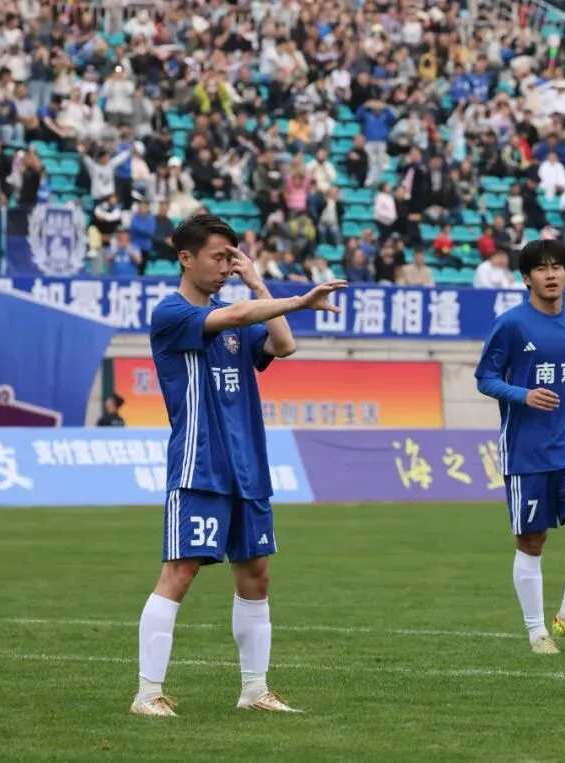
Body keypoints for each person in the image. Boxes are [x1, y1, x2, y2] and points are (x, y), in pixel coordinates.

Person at [132, 214, 347, 717]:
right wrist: (298, 300)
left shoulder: (239, 312)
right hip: (200, 463)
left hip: (247, 465)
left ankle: (254, 690)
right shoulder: (172, 313)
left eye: (232, 257)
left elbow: (284, 345)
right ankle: (147, 693)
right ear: (185, 258)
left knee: (256, 574)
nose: (226, 266)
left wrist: (258, 282)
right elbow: (233, 319)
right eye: (218, 257)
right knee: (180, 572)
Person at [474, 239, 565, 655]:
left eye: (557, 267)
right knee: (532, 542)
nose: (551, 275)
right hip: (527, 451)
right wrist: (523, 395)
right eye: (541, 268)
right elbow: (485, 379)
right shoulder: (511, 324)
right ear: (526, 278)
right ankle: (537, 632)